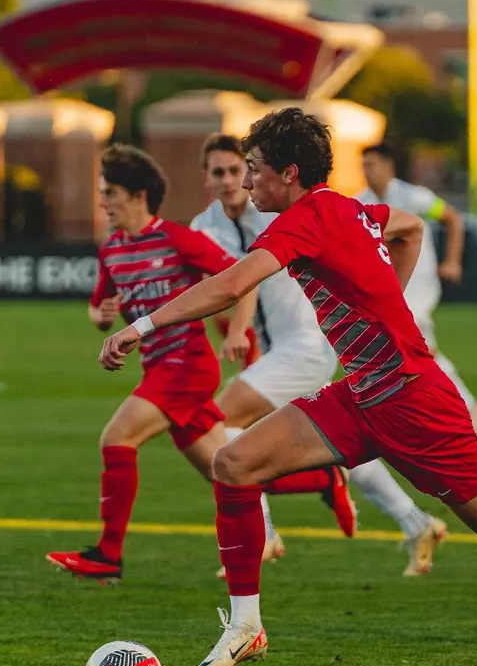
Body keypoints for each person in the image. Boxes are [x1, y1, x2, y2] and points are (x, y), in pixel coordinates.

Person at [100, 108, 477, 666]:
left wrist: (138, 326)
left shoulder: (308, 216)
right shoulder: (348, 207)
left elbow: (228, 286)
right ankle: (246, 624)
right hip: (361, 395)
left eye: (254, 171)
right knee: (233, 463)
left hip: (417, 404)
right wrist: (383, 304)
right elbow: (408, 229)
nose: (247, 184)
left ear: (289, 174)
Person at [47, 144, 340, 583]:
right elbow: (96, 309)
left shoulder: (177, 238)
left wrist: (239, 330)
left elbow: (240, 279)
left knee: (117, 438)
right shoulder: (112, 251)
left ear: (139, 194)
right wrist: (102, 316)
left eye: (110, 192)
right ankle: (322, 479)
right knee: (228, 468)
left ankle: (108, 554)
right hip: (159, 367)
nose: (103, 201)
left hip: (187, 367)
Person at [190, 133, 449, 577]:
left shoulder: (269, 209)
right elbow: (210, 286)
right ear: (207, 178)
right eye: (220, 172)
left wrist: (236, 326)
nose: (232, 180)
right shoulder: (204, 226)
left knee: (220, 419)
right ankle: (416, 522)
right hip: (277, 351)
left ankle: (265, 532)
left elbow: (240, 282)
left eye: (238, 170)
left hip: (307, 344)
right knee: (348, 441)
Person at [357, 143, 477, 440]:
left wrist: (453, 260)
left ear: (389, 166)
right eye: (363, 164)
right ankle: (452, 411)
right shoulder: (360, 202)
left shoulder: (413, 197)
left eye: (372, 164)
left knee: (416, 348)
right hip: (390, 289)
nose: (367, 170)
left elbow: (453, 218)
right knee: (410, 351)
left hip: (418, 285)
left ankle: (463, 408)